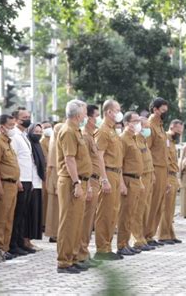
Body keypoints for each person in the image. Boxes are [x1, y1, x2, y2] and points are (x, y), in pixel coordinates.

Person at [56, 99, 92, 274]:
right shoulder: (68, 131)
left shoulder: (76, 130)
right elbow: (69, 159)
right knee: (69, 222)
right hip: (72, 181)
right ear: (78, 115)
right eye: (85, 112)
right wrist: (77, 182)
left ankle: (73, 257)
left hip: (80, 181)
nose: (86, 115)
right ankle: (64, 261)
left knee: (77, 222)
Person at [94, 99, 124, 261]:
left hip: (116, 173)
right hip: (108, 173)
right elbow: (99, 157)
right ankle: (101, 248)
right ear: (109, 112)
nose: (119, 113)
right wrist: (103, 179)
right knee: (105, 212)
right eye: (117, 110)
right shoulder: (103, 131)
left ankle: (108, 246)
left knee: (113, 212)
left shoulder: (113, 131)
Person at [0, 114, 20, 260]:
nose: (13, 128)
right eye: (10, 126)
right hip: (4, 184)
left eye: (14, 126)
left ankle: (5, 248)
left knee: (8, 219)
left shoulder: (8, 142)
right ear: (2, 127)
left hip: (12, 185)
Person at [117, 111, 145, 256]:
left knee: (131, 214)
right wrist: (121, 183)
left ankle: (126, 242)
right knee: (125, 214)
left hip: (135, 179)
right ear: (127, 123)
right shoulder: (123, 139)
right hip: (127, 179)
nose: (138, 123)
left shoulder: (134, 138)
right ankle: (121, 245)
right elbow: (119, 164)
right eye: (135, 121)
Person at [77, 105, 101, 266]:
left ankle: (84, 251)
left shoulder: (91, 136)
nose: (98, 120)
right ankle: (80, 253)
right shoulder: (85, 136)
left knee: (88, 220)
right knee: (84, 220)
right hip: (88, 180)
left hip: (94, 180)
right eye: (96, 116)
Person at [144, 97, 170, 247]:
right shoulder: (149, 126)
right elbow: (146, 150)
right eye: (163, 110)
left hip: (163, 169)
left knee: (159, 204)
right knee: (151, 203)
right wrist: (151, 171)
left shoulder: (160, 126)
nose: (165, 113)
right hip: (154, 168)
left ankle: (150, 235)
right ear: (155, 110)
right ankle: (144, 235)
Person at [9, 107, 35, 256]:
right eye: (24, 117)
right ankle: (13, 244)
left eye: (28, 116)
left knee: (23, 214)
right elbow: (14, 160)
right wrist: (18, 180)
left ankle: (19, 242)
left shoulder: (24, 135)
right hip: (20, 180)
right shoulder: (15, 136)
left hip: (27, 179)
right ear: (16, 119)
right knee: (17, 214)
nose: (27, 119)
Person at [131, 116, 156, 251]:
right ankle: (136, 239)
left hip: (149, 176)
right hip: (141, 177)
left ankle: (142, 237)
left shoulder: (144, 141)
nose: (148, 129)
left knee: (145, 209)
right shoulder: (136, 140)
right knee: (138, 210)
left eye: (148, 127)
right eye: (145, 127)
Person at [158, 119, 184, 244]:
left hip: (173, 175)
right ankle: (163, 235)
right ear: (172, 127)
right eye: (179, 130)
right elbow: (165, 160)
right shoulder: (166, 139)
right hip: (167, 175)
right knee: (166, 207)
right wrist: (167, 178)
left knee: (171, 209)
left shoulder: (173, 141)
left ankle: (170, 233)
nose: (180, 133)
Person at [27, 123, 46, 248]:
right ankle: (25, 240)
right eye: (36, 131)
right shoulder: (29, 145)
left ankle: (29, 240)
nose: (38, 134)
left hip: (38, 183)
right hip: (31, 183)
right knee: (29, 213)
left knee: (36, 213)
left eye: (40, 132)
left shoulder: (38, 145)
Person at [44, 123, 63, 243]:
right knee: (54, 209)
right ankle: (53, 233)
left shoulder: (56, 144)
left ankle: (56, 232)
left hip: (56, 179)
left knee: (56, 209)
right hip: (56, 180)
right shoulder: (55, 146)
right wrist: (56, 185)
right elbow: (53, 166)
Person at [40, 121, 53, 227]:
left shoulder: (53, 140)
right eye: (45, 127)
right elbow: (46, 157)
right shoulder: (42, 141)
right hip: (46, 172)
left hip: (54, 172)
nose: (48, 129)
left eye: (49, 126)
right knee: (45, 198)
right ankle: (44, 223)